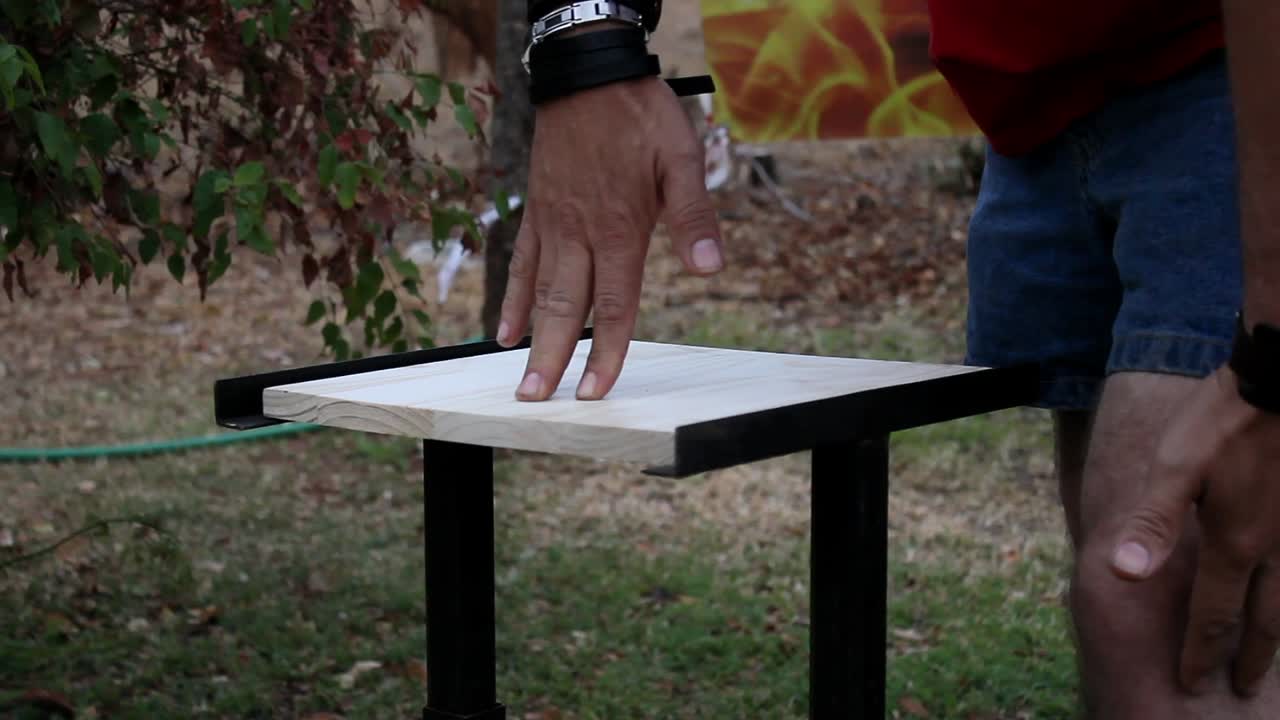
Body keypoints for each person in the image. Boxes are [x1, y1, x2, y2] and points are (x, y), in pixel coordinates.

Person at [501, 1, 1280, 717]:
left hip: (1231, 71)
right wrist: (584, 43)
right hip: (1030, 101)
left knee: (1160, 603)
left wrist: (1272, 366)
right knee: (1130, 601)